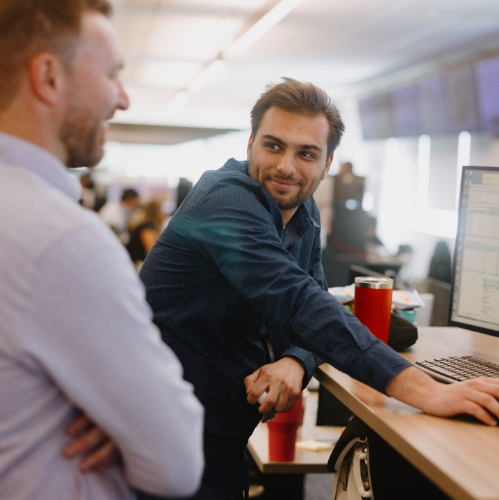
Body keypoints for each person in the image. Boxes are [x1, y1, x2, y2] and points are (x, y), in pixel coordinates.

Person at [139, 77, 499, 499]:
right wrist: (427, 391)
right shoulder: (225, 201)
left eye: (306, 153)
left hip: (215, 437)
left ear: (327, 164)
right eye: (273, 146)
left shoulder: (302, 209)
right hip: (152, 431)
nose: (286, 167)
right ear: (251, 142)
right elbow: (300, 303)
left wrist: (295, 358)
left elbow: (315, 300)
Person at [0, 1, 203, 499]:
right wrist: (124, 426)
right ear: (48, 77)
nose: (123, 98)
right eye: (112, 73)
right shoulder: (62, 241)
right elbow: (177, 465)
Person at [126, 200, 166, 266]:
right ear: (157, 212)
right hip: (136, 264)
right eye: (162, 210)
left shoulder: (149, 226)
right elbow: (153, 252)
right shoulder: (147, 228)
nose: (165, 213)